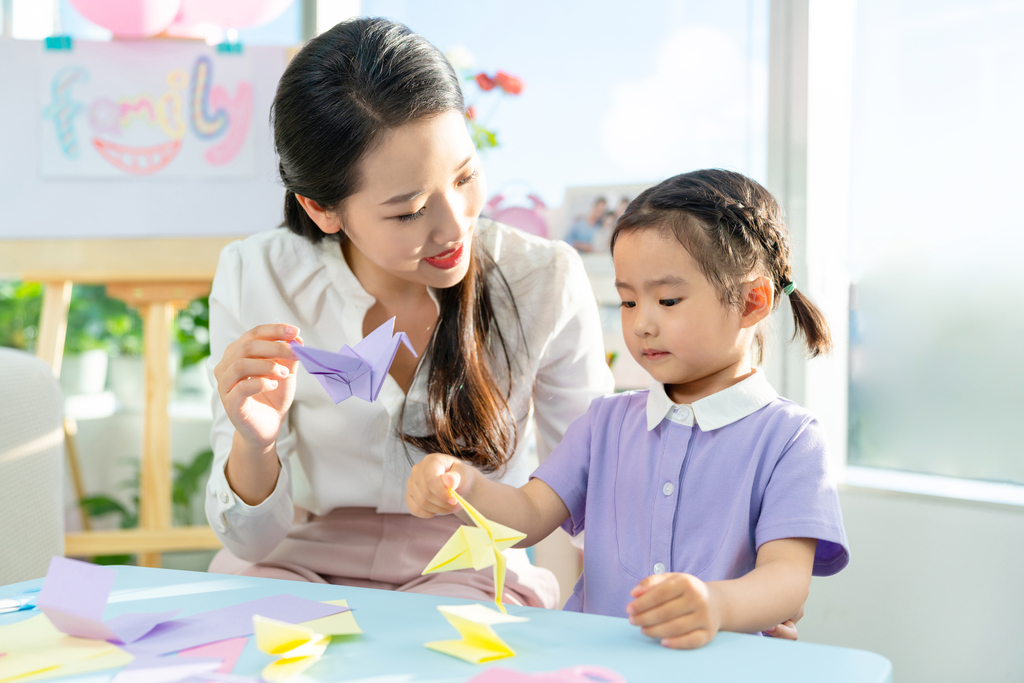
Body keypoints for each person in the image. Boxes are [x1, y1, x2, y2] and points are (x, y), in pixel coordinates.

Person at [203, 17, 614, 609]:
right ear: (322, 209)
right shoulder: (257, 274)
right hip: (293, 562)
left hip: (468, 564)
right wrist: (254, 444)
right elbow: (251, 539)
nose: (454, 227)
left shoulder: (542, 278)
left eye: (466, 177)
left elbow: (591, 487)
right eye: (410, 211)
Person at [407, 169, 849, 648]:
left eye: (668, 299)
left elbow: (787, 582)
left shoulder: (790, 439)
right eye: (628, 301)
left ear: (751, 301)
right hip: (595, 663)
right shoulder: (606, 422)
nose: (641, 324)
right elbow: (528, 517)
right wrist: (466, 485)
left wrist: (716, 606)